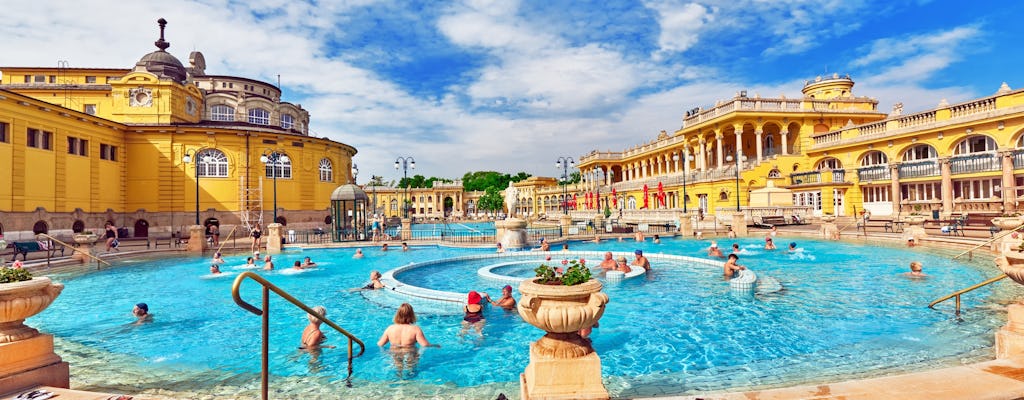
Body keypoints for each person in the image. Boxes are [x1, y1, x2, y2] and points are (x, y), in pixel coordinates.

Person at [377, 303, 438, 378]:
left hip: (394, 351)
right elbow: (425, 345)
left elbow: (380, 344)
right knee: (411, 370)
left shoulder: (390, 328)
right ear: (412, 315)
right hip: (409, 352)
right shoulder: (415, 329)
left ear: (398, 314)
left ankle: (399, 376)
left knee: (398, 368)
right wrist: (435, 345)